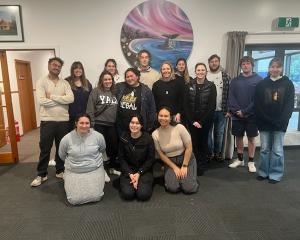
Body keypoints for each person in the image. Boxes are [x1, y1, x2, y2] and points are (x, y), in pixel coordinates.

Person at [30, 57, 74, 187]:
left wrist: (53, 97)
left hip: (63, 121)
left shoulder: (65, 83)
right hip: (48, 120)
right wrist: (61, 99)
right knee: (45, 148)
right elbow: (42, 101)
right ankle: (41, 174)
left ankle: (60, 170)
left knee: (62, 148)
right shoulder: (41, 82)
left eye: (59, 66)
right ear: (49, 66)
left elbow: (70, 99)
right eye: (54, 65)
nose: (57, 67)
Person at [254, 58, 295, 183]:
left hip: (280, 123)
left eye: (277, 67)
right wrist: (267, 119)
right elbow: (257, 104)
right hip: (264, 123)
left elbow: (289, 105)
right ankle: (263, 172)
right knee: (265, 149)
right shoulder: (262, 84)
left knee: (277, 150)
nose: (275, 69)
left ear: (281, 69)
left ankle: (275, 174)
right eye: (272, 67)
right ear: (269, 69)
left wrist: (281, 120)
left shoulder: (288, 84)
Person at [59, 113, 106, 205]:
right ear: (76, 123)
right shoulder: (66, 139)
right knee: (73, 200)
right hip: (74, 170)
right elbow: (62, 156)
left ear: (90, 124)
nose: (84, 126)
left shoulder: (98, 136)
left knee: (96, 196)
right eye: (81, 123)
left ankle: (102, 173)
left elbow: (102, 149)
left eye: (87, 123)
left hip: (94, 169)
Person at [228, 56, 263, 172]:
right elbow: (231, 97)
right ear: (241, 66)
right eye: (243, 64)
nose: (245, 65)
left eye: (248, 63)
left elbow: (258, 100)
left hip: (252, 115)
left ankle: (251, 161)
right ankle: (240, 159)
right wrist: (238, 111)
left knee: (251, 138)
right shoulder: (234, 81)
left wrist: (245, 111)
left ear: (252, 65)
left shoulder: (259, 80)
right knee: (238, 137)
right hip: (237, 116)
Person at [152, 107, 198, 193]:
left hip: (186, 159)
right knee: (172, 188)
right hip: (170, 161)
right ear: (157, 116)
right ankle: (179, 177)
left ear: (170, 118)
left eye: (166, 116)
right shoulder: (155, 134)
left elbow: (189, 147)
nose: (163, 118)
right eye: (160, 115)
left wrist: (184, 166)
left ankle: (189, 175)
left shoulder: (179, 127)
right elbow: (161, 155)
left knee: (189, 188)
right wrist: (175, 168)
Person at [184, 63, 216, 176]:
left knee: (203, 142)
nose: (200, 72)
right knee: (194, 143)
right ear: (195, 72)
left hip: (205, 121)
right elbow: (186, 105)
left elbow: (211, 106)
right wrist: (192, 121)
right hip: (192, 120)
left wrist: (201, 122)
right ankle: (195, 164)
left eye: (203, 70)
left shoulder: (211, 86)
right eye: (198, 70)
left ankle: (202, 165)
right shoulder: (189, 85)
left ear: (206, 72)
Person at [86, 70, 119, 173]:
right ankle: (100, 169)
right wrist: (91, 125)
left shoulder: (115, 92)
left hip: (112, 125)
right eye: (105, 79)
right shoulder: (96, 91)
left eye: (109, 79)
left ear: (112, 80)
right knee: (99, 148)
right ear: (101, 80)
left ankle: (111, 167)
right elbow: (90, 109)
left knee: (113, 146)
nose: (107, 81)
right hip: (99, 124)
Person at [119, 114, 155, 201]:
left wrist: (139, 173)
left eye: (137, 123)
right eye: (132, 122)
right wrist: (130, 174)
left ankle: (141, 184)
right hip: (128, 171)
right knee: (127, 194)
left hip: (144, 170)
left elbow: (150, 159)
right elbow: (121, 158)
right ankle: (133, 183)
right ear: (129, 123)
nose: (134, 125)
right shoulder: (123, 137)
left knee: (143, 195)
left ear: (141, 125)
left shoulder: (148, 138)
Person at [206, 54, 231, 162]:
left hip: (222, 111)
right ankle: (210, 153)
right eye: (212, 61)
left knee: (219, 134)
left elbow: (230, 94)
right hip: (207, 112)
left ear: (219, 62)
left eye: (216, 61)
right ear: (209, 63)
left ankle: (217, 154)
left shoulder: (225, 76)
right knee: (207, 134)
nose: (214, 63)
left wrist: (229, 110)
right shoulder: (205, 75)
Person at [116, 67, 156, 133]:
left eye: (131, 76)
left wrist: (149, 126)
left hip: (137, 127)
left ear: (137, 76)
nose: (129, 78)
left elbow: (152, 109)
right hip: (121, 126)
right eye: (127, 77)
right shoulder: (120, 87)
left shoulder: (146, 90)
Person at [65, 61, 92, 131]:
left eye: (80, 68)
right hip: (70, 116)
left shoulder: (87, 82)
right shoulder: (67, 81)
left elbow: (90, 99)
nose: (78, 70)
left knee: (83, 136)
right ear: (72, 70)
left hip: (84, 117)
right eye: (75, 68)